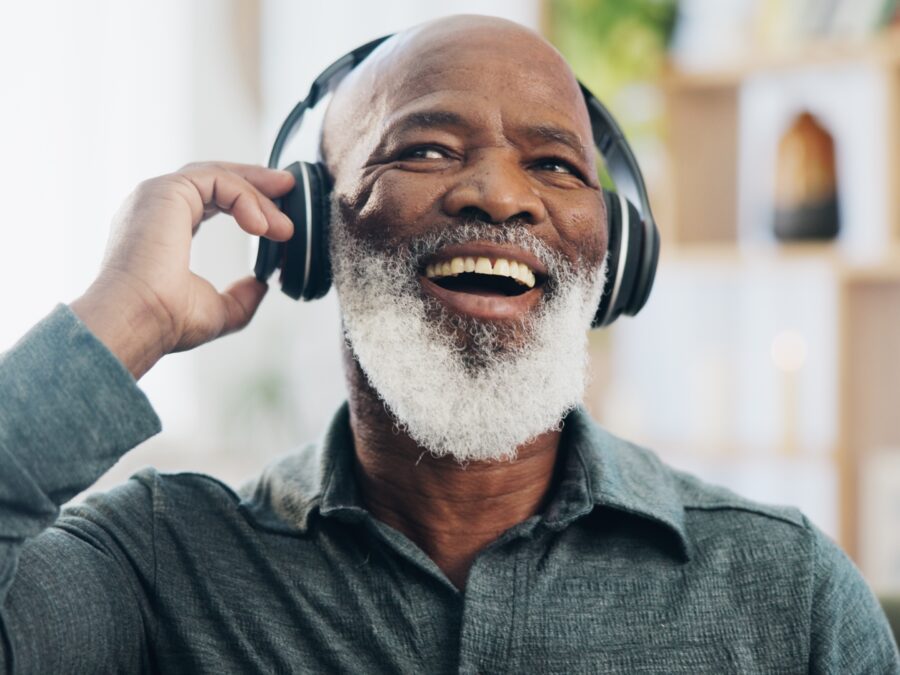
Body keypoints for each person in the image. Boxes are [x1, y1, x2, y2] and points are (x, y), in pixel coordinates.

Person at [0, 14, 897, 674]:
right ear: (308, 230)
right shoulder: (158, 562)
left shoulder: (790, 591)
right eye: (424, 148)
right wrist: (124, 317)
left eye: (554, 164)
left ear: (616, 254)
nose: (499, 196)